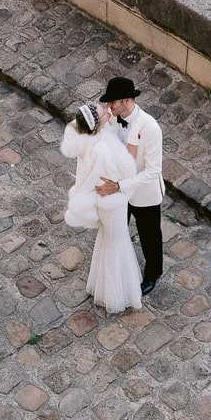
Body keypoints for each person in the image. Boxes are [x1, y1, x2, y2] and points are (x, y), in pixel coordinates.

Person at [60, 103, 142, 313]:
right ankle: (116, 295)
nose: (106, 109)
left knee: (107, 240)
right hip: (111, 202)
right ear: (95, 125)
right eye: (102, 111)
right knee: (116, 244)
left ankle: (101, 284)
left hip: (103, 201)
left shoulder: (87, 138)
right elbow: (117, 177)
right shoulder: (101, 150)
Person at [95, 76, 165, 295]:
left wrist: (119, 185)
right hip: (119, 192)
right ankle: (117, 271)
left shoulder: (150, 127)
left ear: (126, 101)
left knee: (149, 236)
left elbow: (153, 171)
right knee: (116, 230)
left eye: (112, 102)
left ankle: (152, 274)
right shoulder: (114, 118)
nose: (109, 106)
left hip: (144, 193)